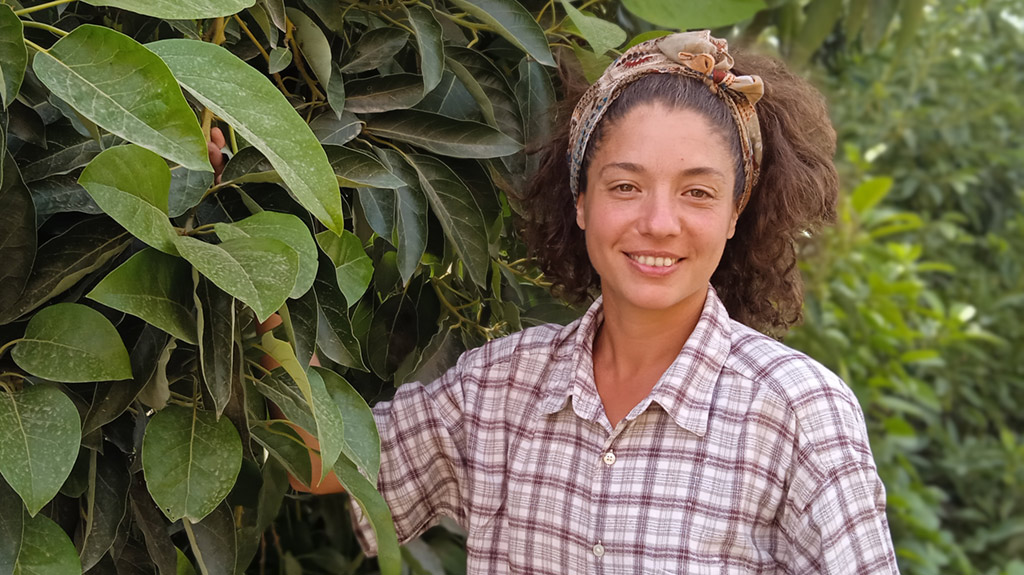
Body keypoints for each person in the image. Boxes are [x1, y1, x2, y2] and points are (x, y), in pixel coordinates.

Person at [270, 31, 900, 574]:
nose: (659, 222)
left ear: (737, 212)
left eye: (698, 194)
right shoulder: (500, 387)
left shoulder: (797, 412)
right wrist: (257, 261)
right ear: (579, 199)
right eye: (625, 185)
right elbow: (323, 460)